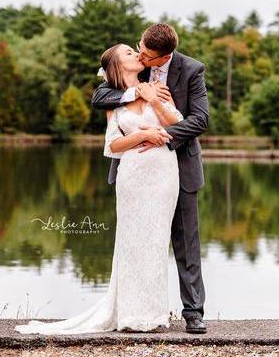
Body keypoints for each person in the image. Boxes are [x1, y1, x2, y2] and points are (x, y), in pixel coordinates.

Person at [14, 41, 184, 334]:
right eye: (129, 53)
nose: (136, 53)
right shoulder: (114, 101)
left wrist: (155, 103)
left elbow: (178, 122)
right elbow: (112, 146)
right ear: (118, 66)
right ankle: (130, 315)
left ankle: (153, 314)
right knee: (131, 242)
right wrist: (143, 135)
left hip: (163, 175)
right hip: (132, 176)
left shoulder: (156, 87)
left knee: (156, 241)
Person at [91, 23, 209, 334]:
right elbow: (101, 94)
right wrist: (137, 92)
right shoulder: (138, 69)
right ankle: (134, 310)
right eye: (139, 49)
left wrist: (160, 135)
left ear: (163, 57)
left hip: (178, 167)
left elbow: (200, 119)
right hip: (135, 173)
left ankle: (193, 312)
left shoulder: (192, 70)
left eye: (146, 54)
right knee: (139, 242)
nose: (141, 55)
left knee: (186, 242)